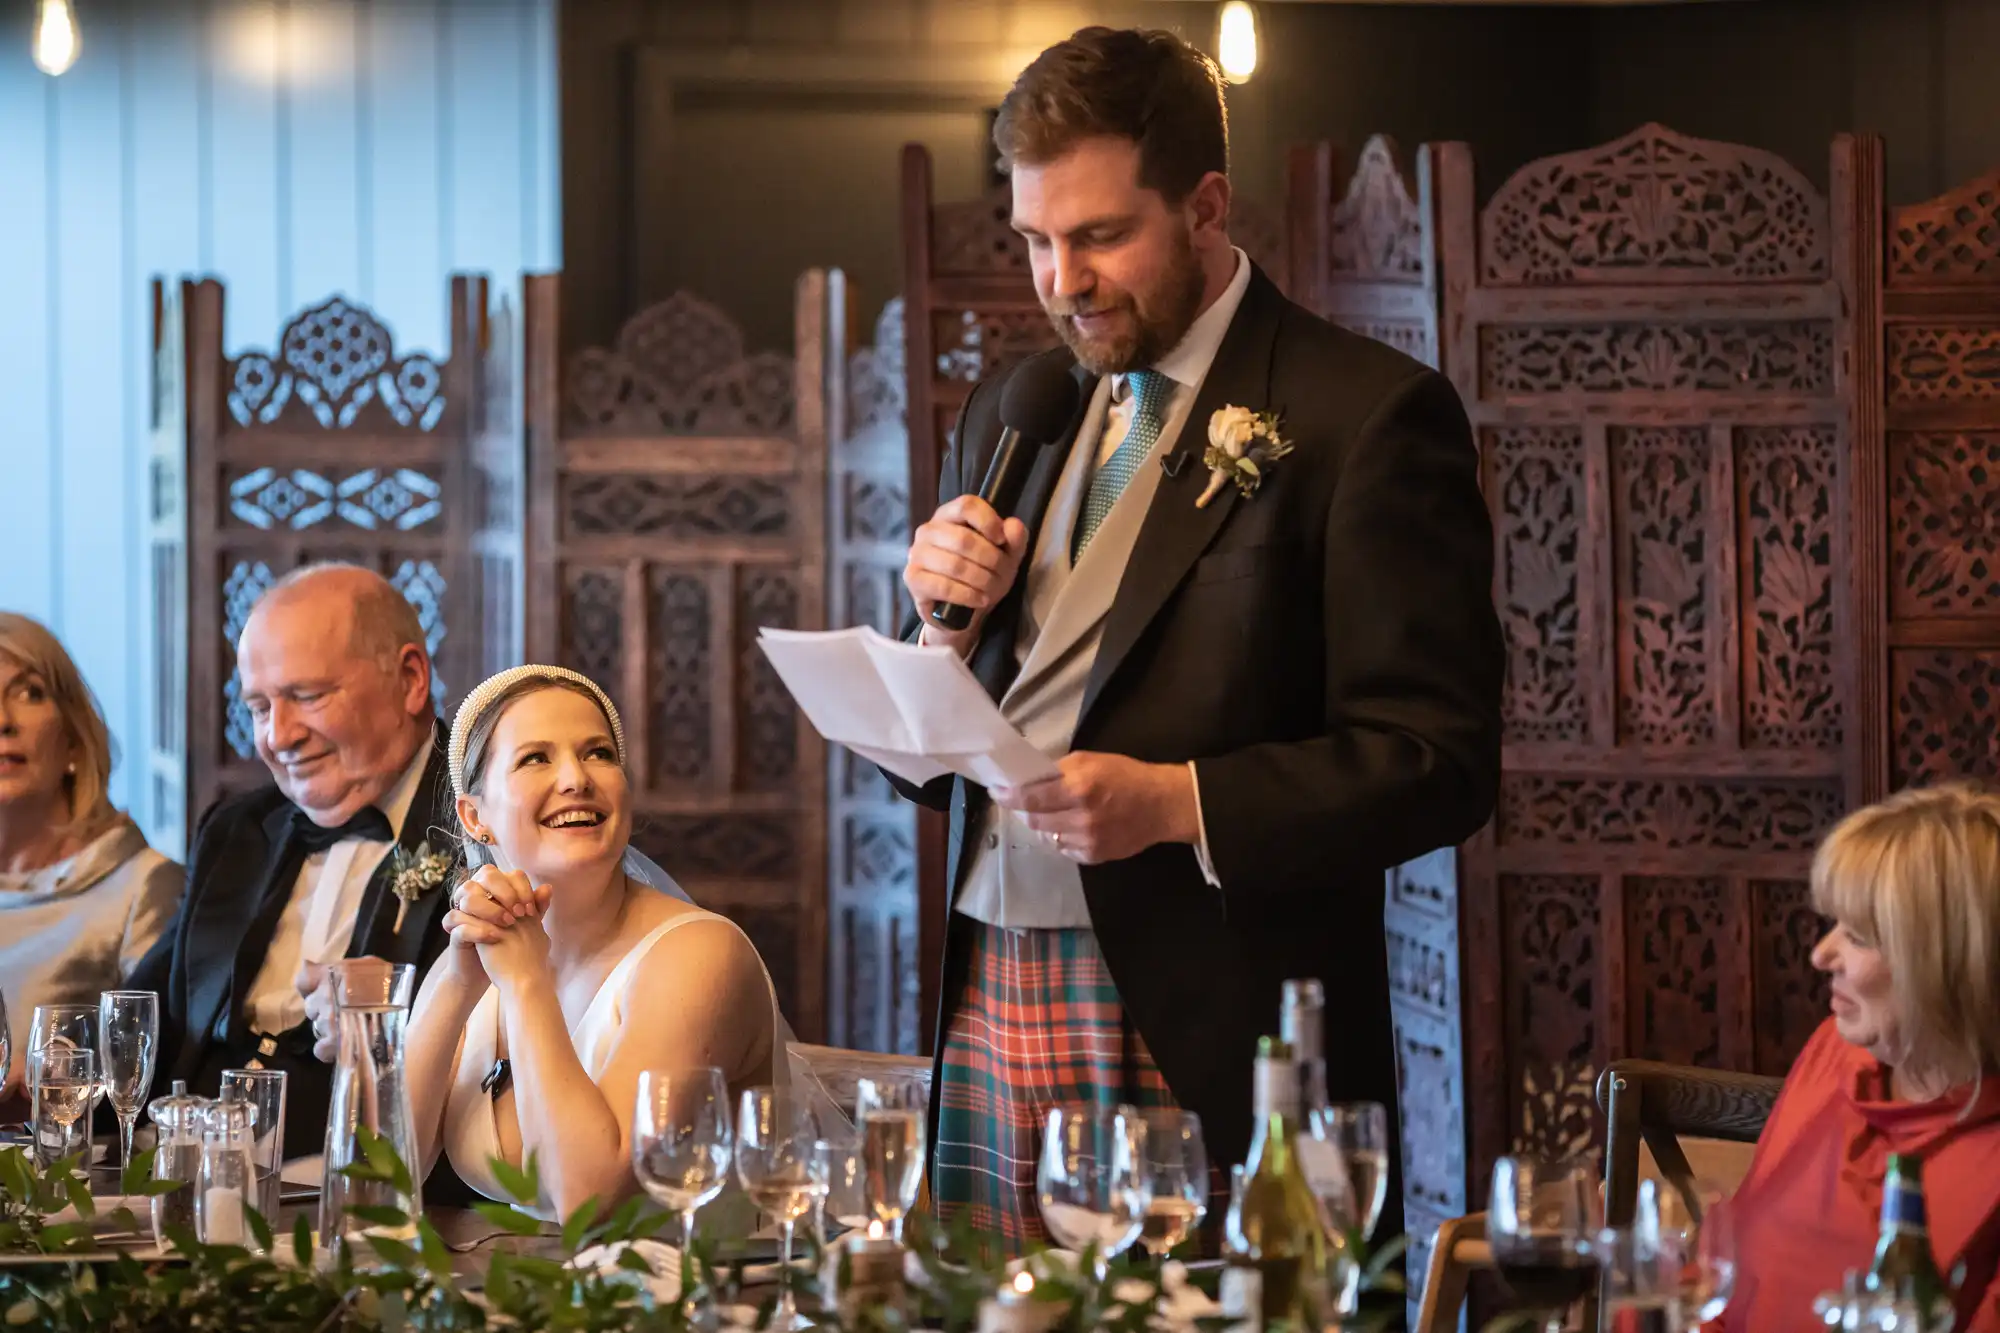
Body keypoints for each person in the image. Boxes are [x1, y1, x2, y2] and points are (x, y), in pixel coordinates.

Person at [891, 26, 1502, 1251]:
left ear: (1206, 203)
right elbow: (948, 740)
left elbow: (1439, 757)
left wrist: (1178, 802)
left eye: (1100, 236)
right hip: (988, 984)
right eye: (1034, 242)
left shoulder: (1365, 415)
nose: (1062, 280)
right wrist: (932, 637)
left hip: (1209, 1017)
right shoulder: (1019, 410)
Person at [407, 666, 815, 1223]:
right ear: (475, 817)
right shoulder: (481, 953)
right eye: (536, 758)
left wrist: (527, 986)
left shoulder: (700, 956)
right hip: (513, 1291)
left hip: (701, 1297)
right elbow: (378, 1168)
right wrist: (457, 985)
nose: (577, 778)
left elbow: (588, 1200)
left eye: (599, 753)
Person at [128, 564, 456, 1159]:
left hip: (367, 1195)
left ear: (410, 679)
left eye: (307, 696)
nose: (279, 736)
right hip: (178, 1178)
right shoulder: (236, 829)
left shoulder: (483, 823)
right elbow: (149, 1016)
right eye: (259, 707)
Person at [1719, 783, 2000, 1333]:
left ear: (1948, 966)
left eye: (1859, 935)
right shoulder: (1835, 1051)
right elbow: (1728, 1281)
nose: (1821, 954)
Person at [0, 613, 181, 1110]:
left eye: (30, 693)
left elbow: (156, 1077)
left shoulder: (144, 886)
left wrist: (49, 1085)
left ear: (75, 743)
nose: (3, 720)